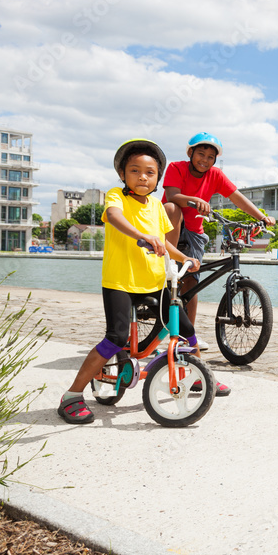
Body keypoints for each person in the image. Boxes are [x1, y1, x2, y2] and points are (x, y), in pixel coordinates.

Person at [58, 139, 205, 424]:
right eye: (135, 171)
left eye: (150, 173)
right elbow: (114, 218)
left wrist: (185, 257)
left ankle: (200, 375)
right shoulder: (117, 197)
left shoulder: (157, 207)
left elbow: (162, 240)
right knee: (116, 337)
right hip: (120, 281)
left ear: (157, 178)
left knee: (186, 328)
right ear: (123, 175)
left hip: (153, 281)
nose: (142, 177)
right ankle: (72, 396)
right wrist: (141, 236)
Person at [162, 133, 276, 349]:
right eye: (200, 154)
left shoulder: (215, 175)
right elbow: (172, 195)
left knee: (191, 282)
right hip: (170, 224)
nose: (204, 160)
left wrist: (261, 217)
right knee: (172, 208)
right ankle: (167, 261)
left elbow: (237, 197)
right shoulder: (177, 167)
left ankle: (188, 337)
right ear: (190, 153)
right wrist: (194, 200)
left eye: (210, 157)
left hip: (195, 230)